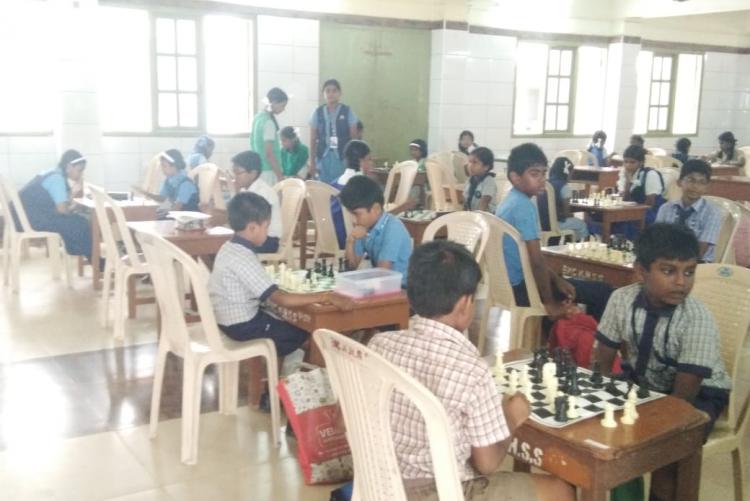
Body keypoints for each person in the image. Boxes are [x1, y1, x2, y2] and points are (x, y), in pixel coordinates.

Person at [369, 240, 574, 501]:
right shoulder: (471, 369)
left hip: (381, 484)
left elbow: (345, 420)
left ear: (411, 295)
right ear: (465, 303)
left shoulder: (379, 345)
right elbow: (487, 464)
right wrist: (511, 418)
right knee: (560, 491)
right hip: (443, 493)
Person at [595, 223, 731, 437]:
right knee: (597, 421)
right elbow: (602, 361)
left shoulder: (696, 318)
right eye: (668, 271)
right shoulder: (621, 299)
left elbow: (682, 399)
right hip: (642, 382)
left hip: (701, 394)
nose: (681, 282)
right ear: (641, 271)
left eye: (689, 272)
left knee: (670, 437)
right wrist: (598, 396)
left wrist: (646, 423)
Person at [209, 192, 352, 365]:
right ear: (252, 228)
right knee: (309, 335)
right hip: (244, 326)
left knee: (287, 322)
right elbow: (281, 298)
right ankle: (303, 375)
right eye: (266, 227)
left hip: (226, 321)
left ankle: (288, 371)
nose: (267, 233)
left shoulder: (228, 247)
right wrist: (325, 296)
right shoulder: (243, 257)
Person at [495, 143, 611, 321]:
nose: (542, 179)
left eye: (544, 173)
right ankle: (592, 337)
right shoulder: (524, 207)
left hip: (509, 284)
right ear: (515, 177)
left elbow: (530, 259)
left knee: (567, 286)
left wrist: (557, 279)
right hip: (523, 288)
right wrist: (550, 303)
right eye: (534, 174)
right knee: (603, 291)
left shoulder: (509, 200)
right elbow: (536, 261)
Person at [17, 149, 93, 261]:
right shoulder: (57, 179)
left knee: (74, 220)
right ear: (69, 167)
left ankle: (86, 254)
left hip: (21, 217)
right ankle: (93, 259)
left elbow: (60, 204)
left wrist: (72, 197)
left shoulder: (52, 173)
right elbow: (62, 210)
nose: (81, 174)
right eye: (79, 170)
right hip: (28, 220)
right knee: (81, 221)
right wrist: (73, 207)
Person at [339, 176, 412, 286]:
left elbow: (383, 274)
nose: (353, 220)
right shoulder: (364, 226)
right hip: (384, 284)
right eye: (350, 214)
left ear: (376, 209)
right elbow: (350, 268)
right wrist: (350, 241)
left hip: (403, 288)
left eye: (356, 214)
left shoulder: (393, 229)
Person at [655, 159, 722, 263]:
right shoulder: (665, 208)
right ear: (679, 182)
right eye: (690, 180)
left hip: (698, 263)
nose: (695, 186)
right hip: (667, 260)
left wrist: (677, 265)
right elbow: (657, 240)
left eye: (702, 182)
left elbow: (701, 249)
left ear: (707, 187)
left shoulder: (712, 213)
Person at [231, 151, 282, 253]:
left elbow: (248, 222)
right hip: (253, 235)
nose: (235, 177)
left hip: (267, 240)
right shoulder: (245, 190)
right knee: (221, 244)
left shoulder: (262, 192)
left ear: (253, 173)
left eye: (238, 173)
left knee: (226, 245)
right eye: (234, 173)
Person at [309, 79, 359, 183]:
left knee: (340, 186)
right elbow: (313, 139)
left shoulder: (347, 111)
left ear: (340, 93)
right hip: (323, 158)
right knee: (323, 188)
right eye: (327, 91)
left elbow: (354, 138)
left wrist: (354, 160)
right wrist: (312, 162)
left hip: (342, 158)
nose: (331, 94)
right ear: (323, 94)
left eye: (334, 90)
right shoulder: (317, 113)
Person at [330, 140, 373, 249]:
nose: (371, 163)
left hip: (331, 235)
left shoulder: (333, 184)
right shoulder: (362, 185)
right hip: (351, 238)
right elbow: (372, 216)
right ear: (361, 161)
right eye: (369, 159)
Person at [537, 157, 589, 242]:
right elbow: (566, 213)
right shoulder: (564, 187)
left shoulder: (546, 183)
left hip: (540, 223)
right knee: (582, 225)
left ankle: (568, 243)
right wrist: (571, 215)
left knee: (571, 224)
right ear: (567, 173)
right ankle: (582, 247)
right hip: (555, 224)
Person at [134, 149, 199, 214]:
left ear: (174, 166)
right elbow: (164, 200)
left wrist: (160, 214)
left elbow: (177, 208)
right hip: (176, 215)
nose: (162, 169)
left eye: (164, 166)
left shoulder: (186, 184)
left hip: (189, 218)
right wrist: (147, 194)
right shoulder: (169, 181)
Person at [617, 144, 665, 226]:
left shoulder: (650, 174)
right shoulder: (624, 173)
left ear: (641, 163)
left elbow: (650, 204)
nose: (628, 165)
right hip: (631, 210)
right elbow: (625, 199)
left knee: (623, 222)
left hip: (649, 213)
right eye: (625, 162)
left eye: (632, 162)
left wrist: (633, 210)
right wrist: (627, 182)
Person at [251, 87, 288, 185]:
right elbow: (269, 154)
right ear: (274, 102)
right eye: (283, 105)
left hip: (258, 169)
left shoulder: (258, 118)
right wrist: (280, 176)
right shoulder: (268, 123)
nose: (283, 109)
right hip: (268, 172)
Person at [463, 146, 497, 213]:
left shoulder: (489, 182)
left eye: (475, 162)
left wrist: (472, 218)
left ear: (486, 167)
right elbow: (465, 202)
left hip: (486, 216)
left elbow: (483, 205)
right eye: (469, 162)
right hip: (473, 214)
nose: (470, 166)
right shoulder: (470, 180)